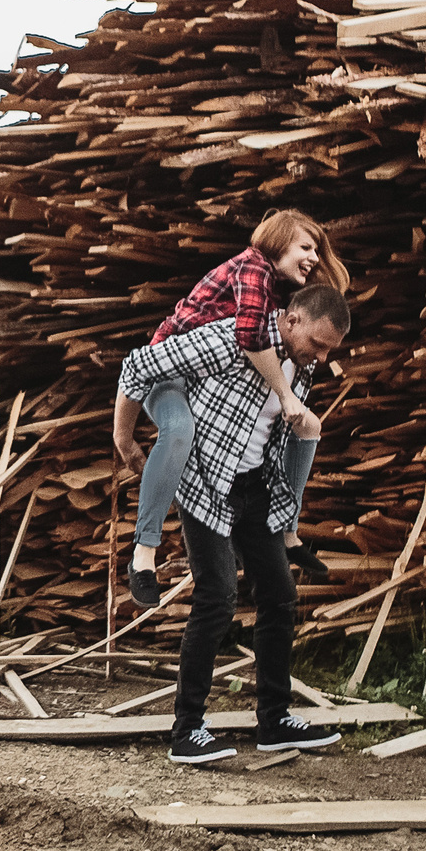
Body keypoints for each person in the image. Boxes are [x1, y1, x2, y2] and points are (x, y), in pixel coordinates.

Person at [112, 282, 351, 763]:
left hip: (252, 487)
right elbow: (138, 365)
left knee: (280, 594)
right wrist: (124, 438)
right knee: (217, 595)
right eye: (318, 344)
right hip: (204, 483)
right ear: (292, 319)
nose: (321, 357)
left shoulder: (299, 365)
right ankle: (187, 730)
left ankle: (275, 721)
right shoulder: (229, 338)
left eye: (330, 351)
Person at [118, 211, 349, 606]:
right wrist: (123, 436)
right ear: (277, 242)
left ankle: (288, 534)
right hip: (169, 371)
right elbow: (247, 337)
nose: (313, 257)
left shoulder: (278, 293)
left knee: (309, 427)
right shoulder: (254, 268)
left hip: (196, 376)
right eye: (305, 247)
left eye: (317, 250)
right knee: (179, 432)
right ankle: (143, 555)